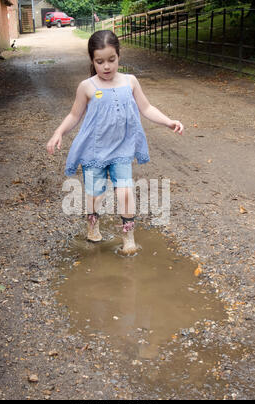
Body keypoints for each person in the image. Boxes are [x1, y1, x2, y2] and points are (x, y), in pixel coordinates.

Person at [46, 30, 184, 255]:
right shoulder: (87, 86)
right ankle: (93, 227)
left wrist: (168, 121)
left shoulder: (130, 81)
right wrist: (58, 132)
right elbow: (74, 116)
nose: (106, 67)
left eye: (112, 60)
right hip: (94, 152)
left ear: (119, 56)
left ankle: (128, 236)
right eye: (100, 62)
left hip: (122, 149)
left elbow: (147, 108)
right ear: (92, 60)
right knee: (95, 193)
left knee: (125, 192)